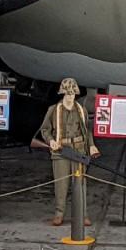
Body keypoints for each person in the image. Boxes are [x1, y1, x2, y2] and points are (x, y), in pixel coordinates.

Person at [39, 77, 99, 227]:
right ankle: (59, 213)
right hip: (61, 151)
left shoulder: (81, 110)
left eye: (73, 93)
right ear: (63, 93)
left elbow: (86, 131)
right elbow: (45, 129)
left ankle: (82, 214)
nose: (71, 96)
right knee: (61, 185)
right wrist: (50, 141)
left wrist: (91, 146)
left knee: (80, 184)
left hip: (78, 150)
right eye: (68, 93)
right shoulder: (53, 110)